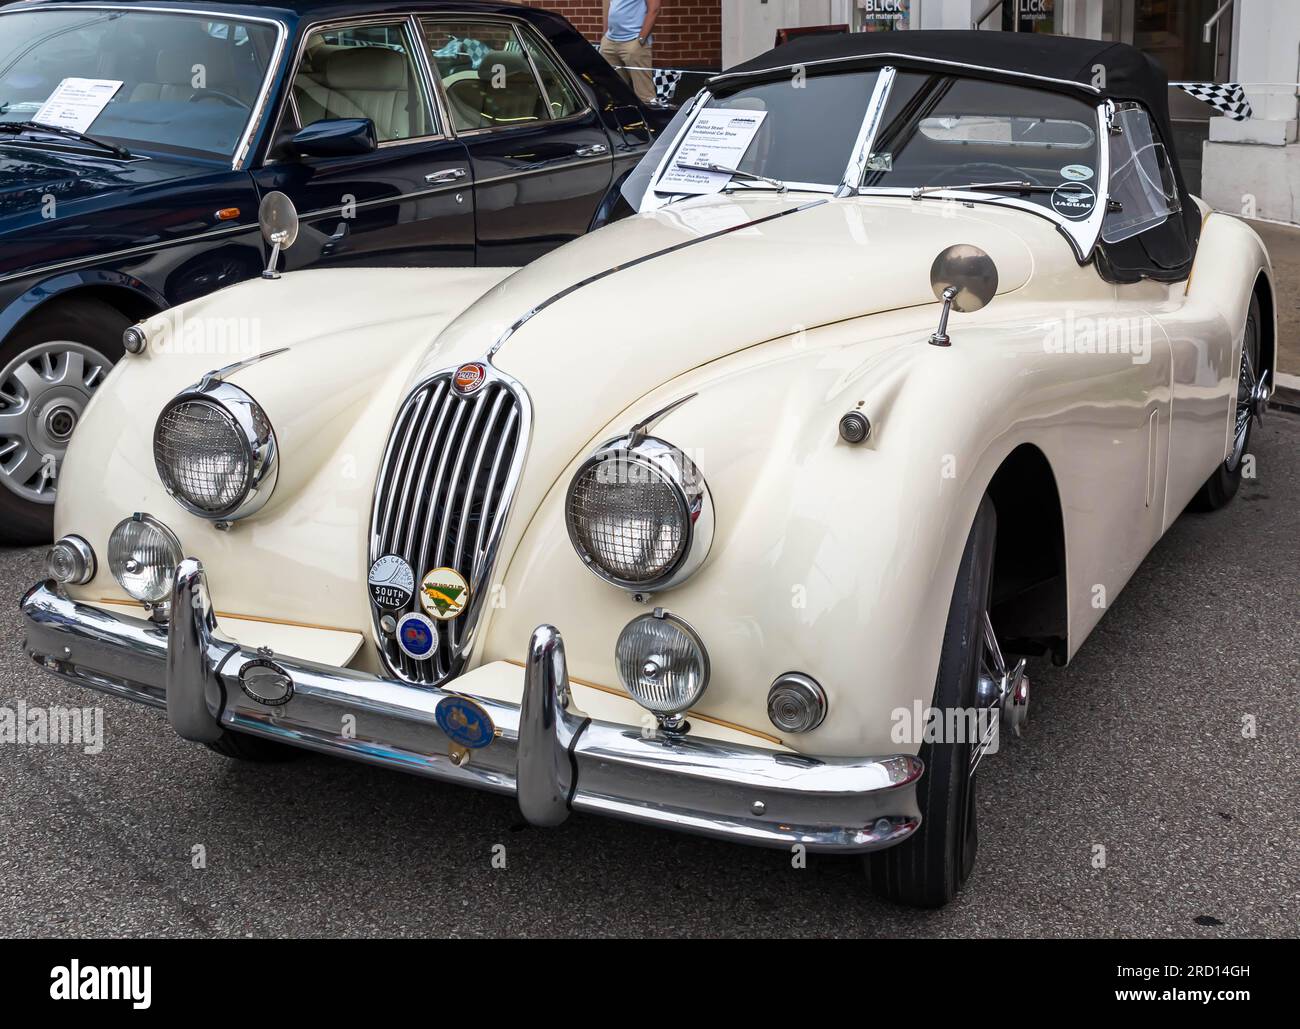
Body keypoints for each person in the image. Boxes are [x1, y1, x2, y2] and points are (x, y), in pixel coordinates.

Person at [599, 0, 661, 105]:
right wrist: (605, 35)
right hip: (609, 42)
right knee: (614, 93)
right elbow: (607, 6)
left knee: (644, 95)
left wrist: (641, 39)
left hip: (634, 41)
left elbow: (654, 9)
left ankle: (649, 120)